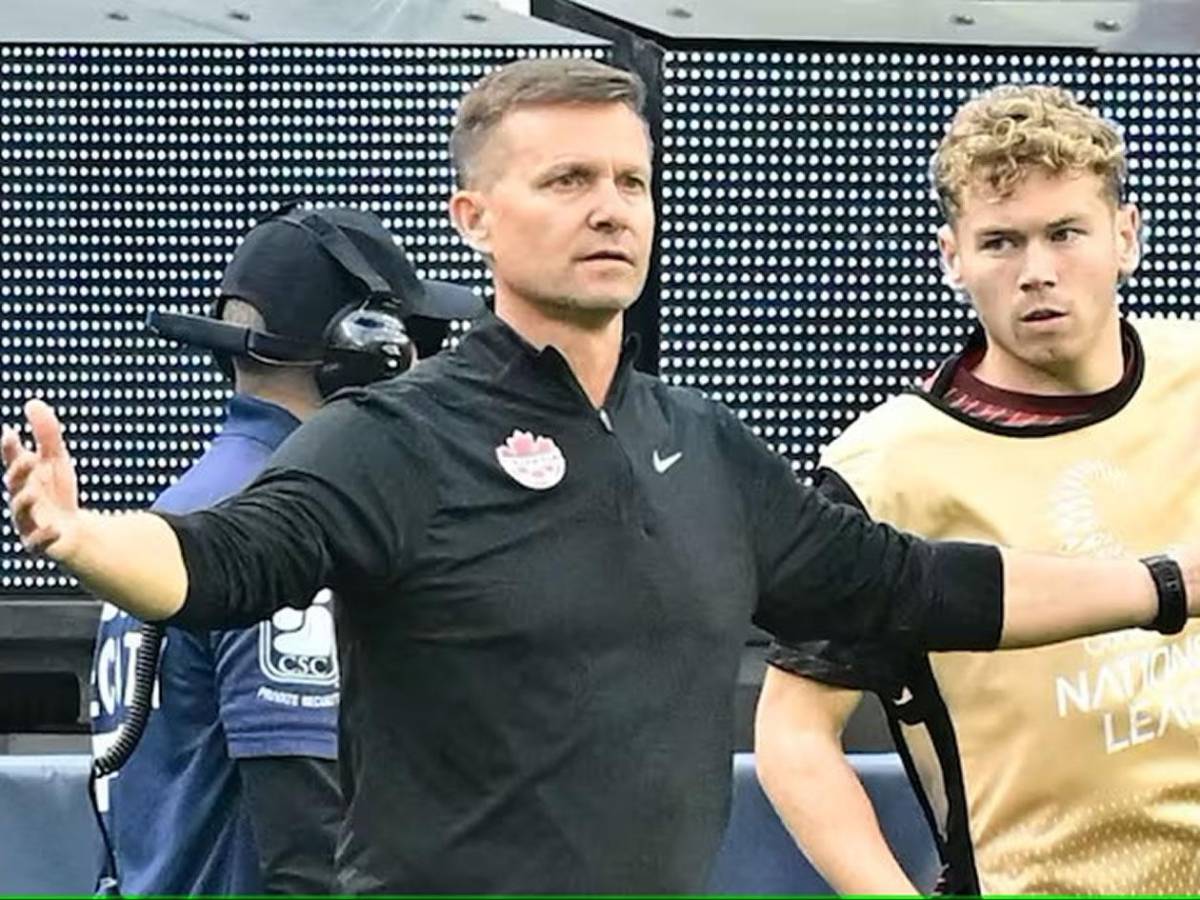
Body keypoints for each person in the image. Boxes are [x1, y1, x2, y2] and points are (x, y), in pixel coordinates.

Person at [2, 60, 1196, 894]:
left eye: (628, 182)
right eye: (566, 182)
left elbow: (921, 589)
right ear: (476, 214)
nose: (608, 210)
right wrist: (80, 534)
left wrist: (1163, 582)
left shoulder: (704, 447)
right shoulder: (396, 437)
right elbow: (222, 560)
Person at [755, 84, 1200, 895]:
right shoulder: (886, 468)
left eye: (1066, 233)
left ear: (1127, 236)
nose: (1038, 273)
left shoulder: (1195, 376)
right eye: (1001, 243)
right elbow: (793, 730)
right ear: (952, 257)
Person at [87, 203, 483, 895]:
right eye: (415, 341)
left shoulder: (181, 510)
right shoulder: (288, 530)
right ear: (372, 357)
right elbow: (308, 850)